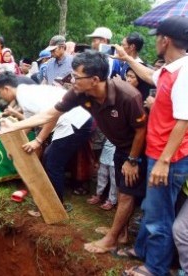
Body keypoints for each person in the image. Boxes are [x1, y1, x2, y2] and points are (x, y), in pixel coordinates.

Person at [0, 50, 147, 255]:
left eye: (77, 76)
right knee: (123, 190)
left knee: (127, 193)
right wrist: (13, 128)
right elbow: (50, 114)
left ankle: (112, 239)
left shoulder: (128, 96)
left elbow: (141, 130)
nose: (72, 79)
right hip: (121, 146)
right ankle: (121, 233)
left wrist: (132, 159)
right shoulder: (79, 92)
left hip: (139, 149)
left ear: (95, 79)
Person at [113, 16, 188, 276]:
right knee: (150, 208)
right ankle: (143, 250)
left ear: (165, 40)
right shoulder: (170, 69)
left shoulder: (184, 73)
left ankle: (154, 268)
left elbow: (183, 121)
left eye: (157, 37)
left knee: (160, 217)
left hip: (169, 158)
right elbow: (149, 74)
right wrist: (127, 58)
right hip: (157, 153)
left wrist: (165, 162)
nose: (155, 40)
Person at [0, 72, 92, 209]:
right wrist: (15, 147)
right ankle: (54, 202)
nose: (1, 96)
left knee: (52, 162)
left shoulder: (25, 96)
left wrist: (38, 140)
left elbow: (51, 117)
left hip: (75, 122)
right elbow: (30, 122)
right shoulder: (24, 94)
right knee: (50, 159)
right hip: (72, 120)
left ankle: (55, 206)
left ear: (6, 89)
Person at [87, 139, 117, 210]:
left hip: (117, 150)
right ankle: (98, 195)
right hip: (106, 150)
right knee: (101, 175)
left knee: (114, 180)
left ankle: (111, 201)